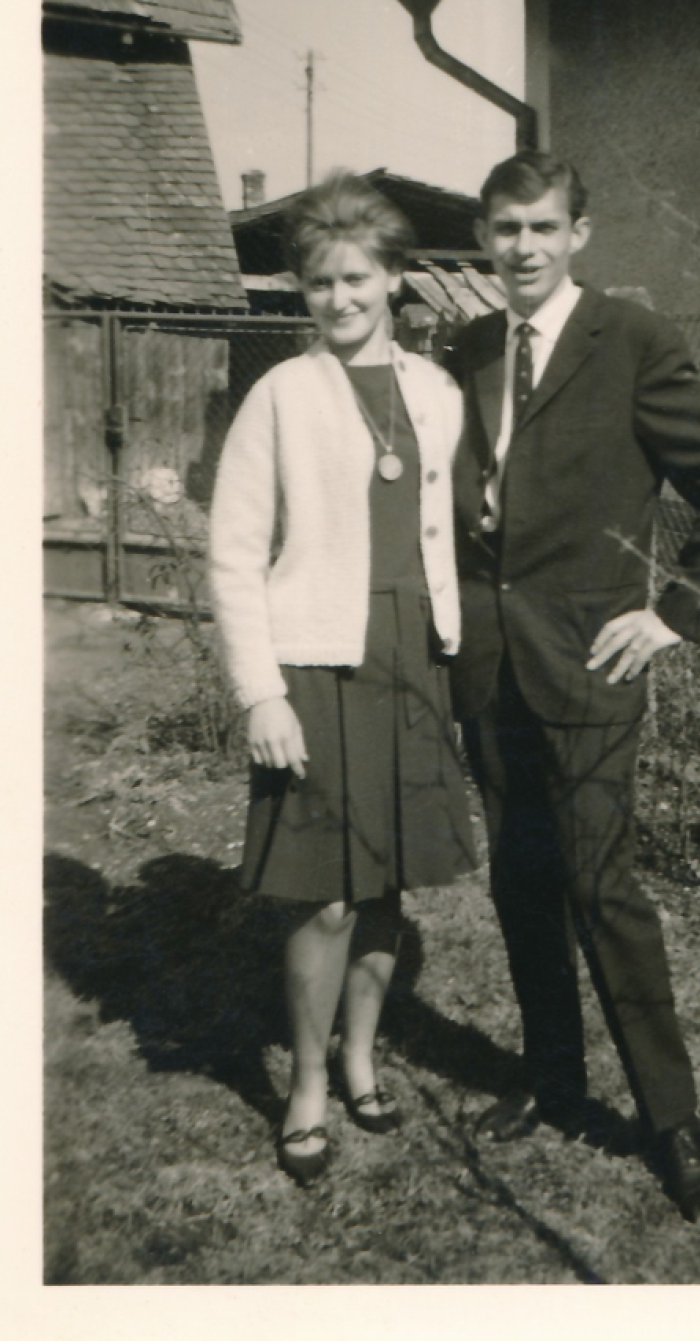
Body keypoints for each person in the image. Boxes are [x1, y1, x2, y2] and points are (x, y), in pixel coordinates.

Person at [447, 151, 700, 1222]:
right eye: (504, 230)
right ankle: (551, 1074)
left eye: (541, 228)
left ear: (578, 233)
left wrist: (674, 611)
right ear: (484, 238)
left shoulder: (628, 341)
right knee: (520, 880)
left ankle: (669, 1118)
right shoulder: (470, 346)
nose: (522, 249)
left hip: (590, 662)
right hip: (488, 660)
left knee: (602, 888)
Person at [209, 170, 476, 1185]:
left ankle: (364, 1056)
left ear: (394, 279)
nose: (339, 298)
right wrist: (259, 691)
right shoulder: (280, 396)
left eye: (357, 278)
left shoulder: (437, 394)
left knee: (383, 890)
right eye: (319, 283)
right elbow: (233, 552)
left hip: (413, 657)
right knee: (320, 900)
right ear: (303, 290)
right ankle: (308, 1084)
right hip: (315, 662)